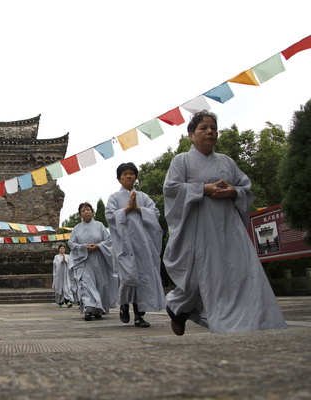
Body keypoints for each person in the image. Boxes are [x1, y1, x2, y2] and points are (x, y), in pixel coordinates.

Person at [163, 111, 287, 335]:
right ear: (190, 135)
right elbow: (171, 189)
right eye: (203, 128)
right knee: (196, 278)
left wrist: (234, 192)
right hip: (199, 229)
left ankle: (248, 321)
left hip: (230, 228)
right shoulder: (181, 161)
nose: (210, 132)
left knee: (240, 272)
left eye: (213, 128)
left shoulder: (227, 162)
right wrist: (202, 189)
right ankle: (178, 308)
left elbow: (245, 188)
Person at [105, 162, 166, 328]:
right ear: (119, 179)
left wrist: (138, 208)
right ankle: (124, 304)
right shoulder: (114, 198)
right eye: (124, 174)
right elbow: (110, 217)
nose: (128, 176)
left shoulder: (143, 197)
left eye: (131, 173)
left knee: (142, 279)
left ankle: (139, 315)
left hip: (143, 244)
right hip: (124, 245)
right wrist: (126, 208)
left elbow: (156, 213)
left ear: (135, 177)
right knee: (128, 277)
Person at [68, 202, 118, 321]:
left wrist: (99, 246)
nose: (86, 212)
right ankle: (88, 308)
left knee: (101, 284)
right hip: (84, 259)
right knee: (86, 283)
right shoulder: (76, 229)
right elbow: (71, 243)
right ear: (80, 214)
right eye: (83, 210)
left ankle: (98, 309)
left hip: (99, 257)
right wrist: (84, 247)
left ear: (92, 211)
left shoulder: (100, 226)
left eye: (88, 210)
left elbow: (108, 240)